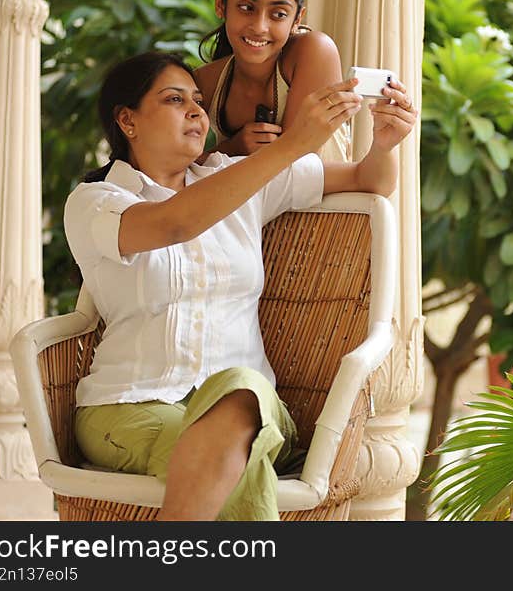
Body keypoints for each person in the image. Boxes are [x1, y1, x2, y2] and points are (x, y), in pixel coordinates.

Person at [63, 51, 417, 521]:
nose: (195, 111)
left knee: (239, 394)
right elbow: (174, 224)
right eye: (174, 100)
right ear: (127, 120)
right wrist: (289, 147)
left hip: (254, 409)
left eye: (198, 101)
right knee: (229, 458)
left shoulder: (236, 176)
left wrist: (385, 144)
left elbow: (369, 181)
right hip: (127, 405)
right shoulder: (96, 202)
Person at [194, 0, 350, 162]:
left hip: (327, 196)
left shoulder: (313, 51)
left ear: (297, 19)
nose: (259, 27)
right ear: (221, 3)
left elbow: (296, 166)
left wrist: (228, 154)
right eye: (247, 8)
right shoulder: (206, 82)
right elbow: (169, 167)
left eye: (278, 14)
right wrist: (232, 147)